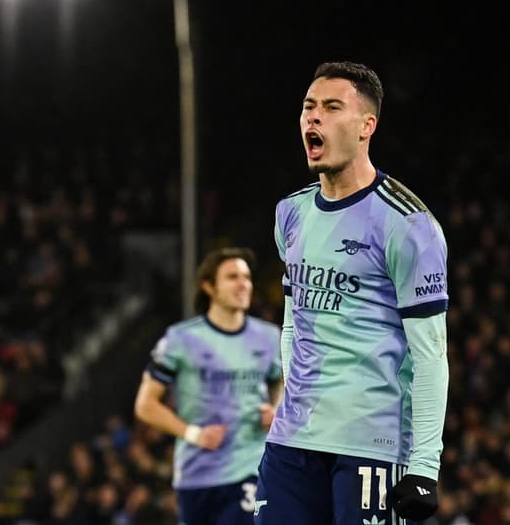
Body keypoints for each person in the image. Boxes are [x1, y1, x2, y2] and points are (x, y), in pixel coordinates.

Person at [254, 61, 449, 525]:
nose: (312, 118)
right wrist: (289, 403)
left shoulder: (408, 225)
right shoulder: (291, 214)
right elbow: (292, 322)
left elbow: (431, 354)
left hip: (371, 446)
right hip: (292, 444)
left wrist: (424, 465)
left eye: (330, 107)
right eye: (308, 107)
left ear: (367, 126)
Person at [134, 247, 283, 525]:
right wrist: (193, 433)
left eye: (247, 277)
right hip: (195, 473)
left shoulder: (269, 337)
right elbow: (146, 405)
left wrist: (275, 409)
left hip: (249, 465)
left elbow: (282, 380)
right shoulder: (182, 339)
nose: (243, 284)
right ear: (209, 287)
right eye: (232, 277)